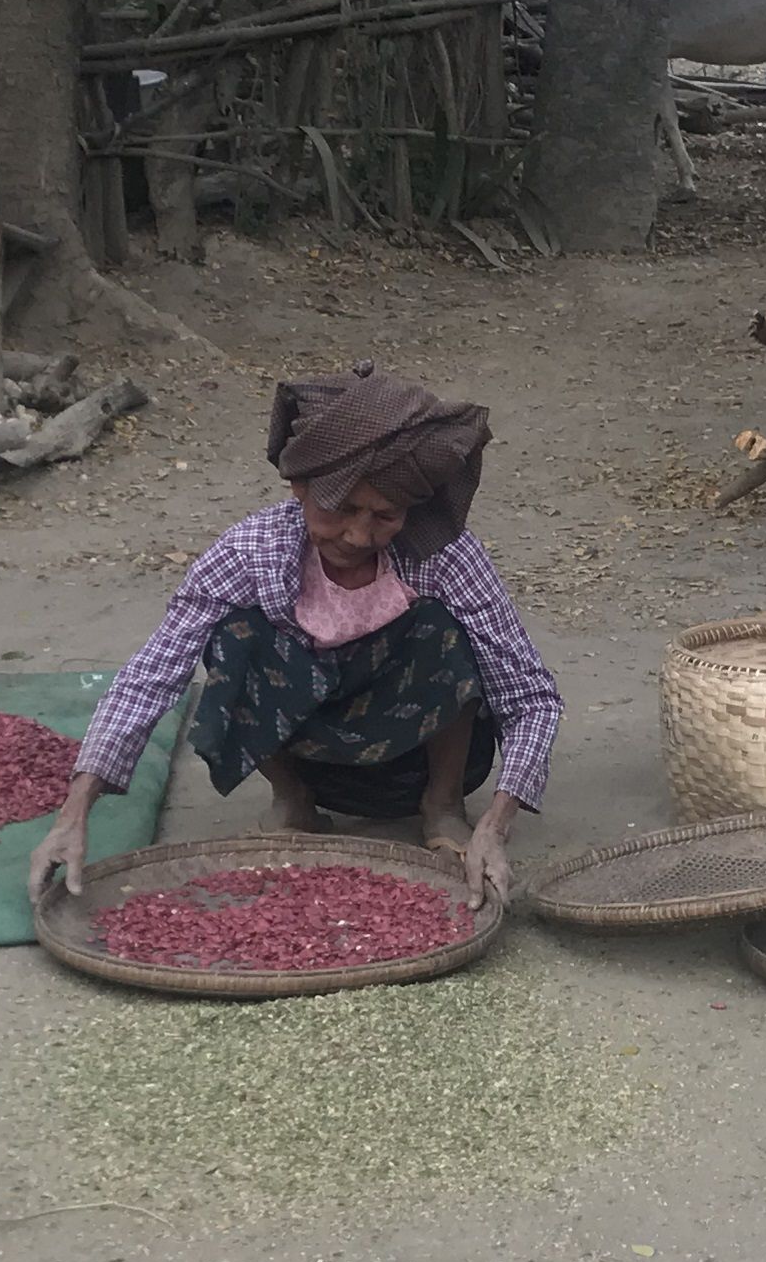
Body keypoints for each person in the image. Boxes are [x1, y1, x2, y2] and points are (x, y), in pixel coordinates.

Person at [30, 362, 564, 909]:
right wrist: (73, 815)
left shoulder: (444, 554)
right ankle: (294, 800)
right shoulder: (249, 552)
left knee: (443, 630)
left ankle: (443, 805)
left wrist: (497, 825)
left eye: (385, 515)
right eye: (341, 510)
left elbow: (528, 695)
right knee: (233, 636)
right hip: (311, 750)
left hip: (412, 753)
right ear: (300, 487)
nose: (359, 535)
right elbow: (151, 677)